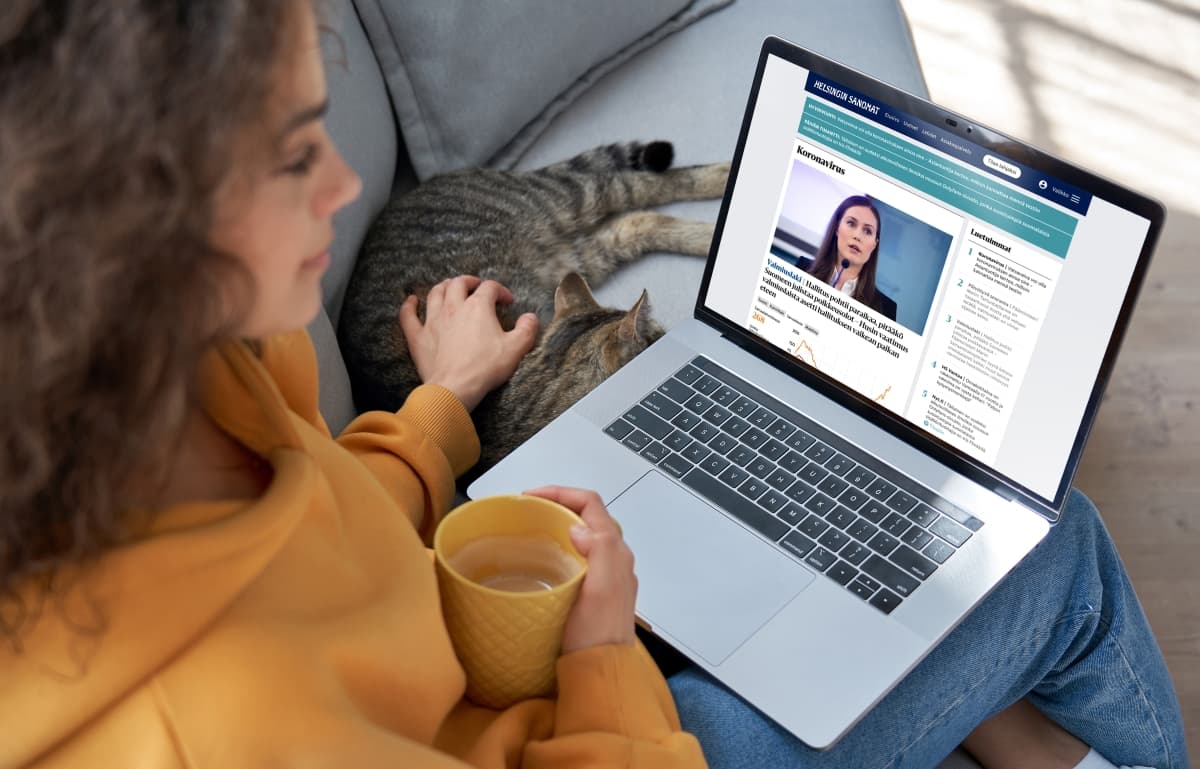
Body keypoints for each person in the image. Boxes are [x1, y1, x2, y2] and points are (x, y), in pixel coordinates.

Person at [0, 3, 1186, 769]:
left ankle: (1001, 728)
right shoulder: (217, 730)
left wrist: (436, 413)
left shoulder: (190, 366)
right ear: (144, 223)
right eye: (297, 151)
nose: (343, 184)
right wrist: (607, 652)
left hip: (509, 659)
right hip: (614, 733)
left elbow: (311, 537)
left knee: (861, 593)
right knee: (1053, 551)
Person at [807, 194, 898, 321]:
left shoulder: (886, 309)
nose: (857, 236)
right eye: (851, 223)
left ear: (874, 245)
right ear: (837, 228)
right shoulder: (803, 269)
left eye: (867, 231)